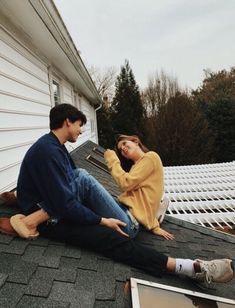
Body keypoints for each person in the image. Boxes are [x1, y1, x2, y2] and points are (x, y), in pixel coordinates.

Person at [0, 103, 234, 285]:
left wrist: (18, 197)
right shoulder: (48, 151)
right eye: (79, 124)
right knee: (112, 239)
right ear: (67, 122)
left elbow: (61, 188)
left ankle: (30, 216)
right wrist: (102, 220)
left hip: (54, 207)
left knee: (80, 177)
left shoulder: (55, 148)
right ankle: (192, 268)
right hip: (54, 220)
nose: (81, 130)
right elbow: (65, 201)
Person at [104, 134, 173, 240]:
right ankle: (157, 213)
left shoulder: (150, 157)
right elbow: (145, 197)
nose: (123, 148)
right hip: (125, 210)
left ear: (136, 141)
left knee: (87, 181)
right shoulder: (135, 168)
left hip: (130, 218)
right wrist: (153, 224)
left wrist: (112, 160)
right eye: (121, 150)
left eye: (124, 143)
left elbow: (126, 183)